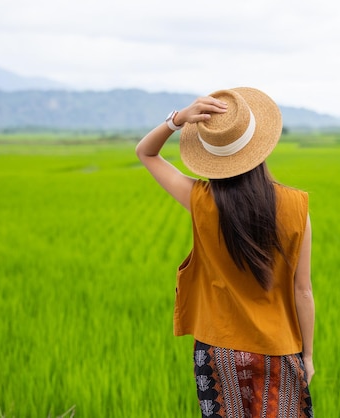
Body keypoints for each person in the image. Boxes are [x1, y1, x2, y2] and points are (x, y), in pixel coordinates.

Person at [135, 87, 315, 418]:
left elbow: (146, 153)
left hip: (218, 351)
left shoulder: (200, 199)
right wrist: (308, 356)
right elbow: (302, 291)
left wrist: (177, 120)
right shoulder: (297, 206)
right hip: (280, 348)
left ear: (211, 155)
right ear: (260, 145)